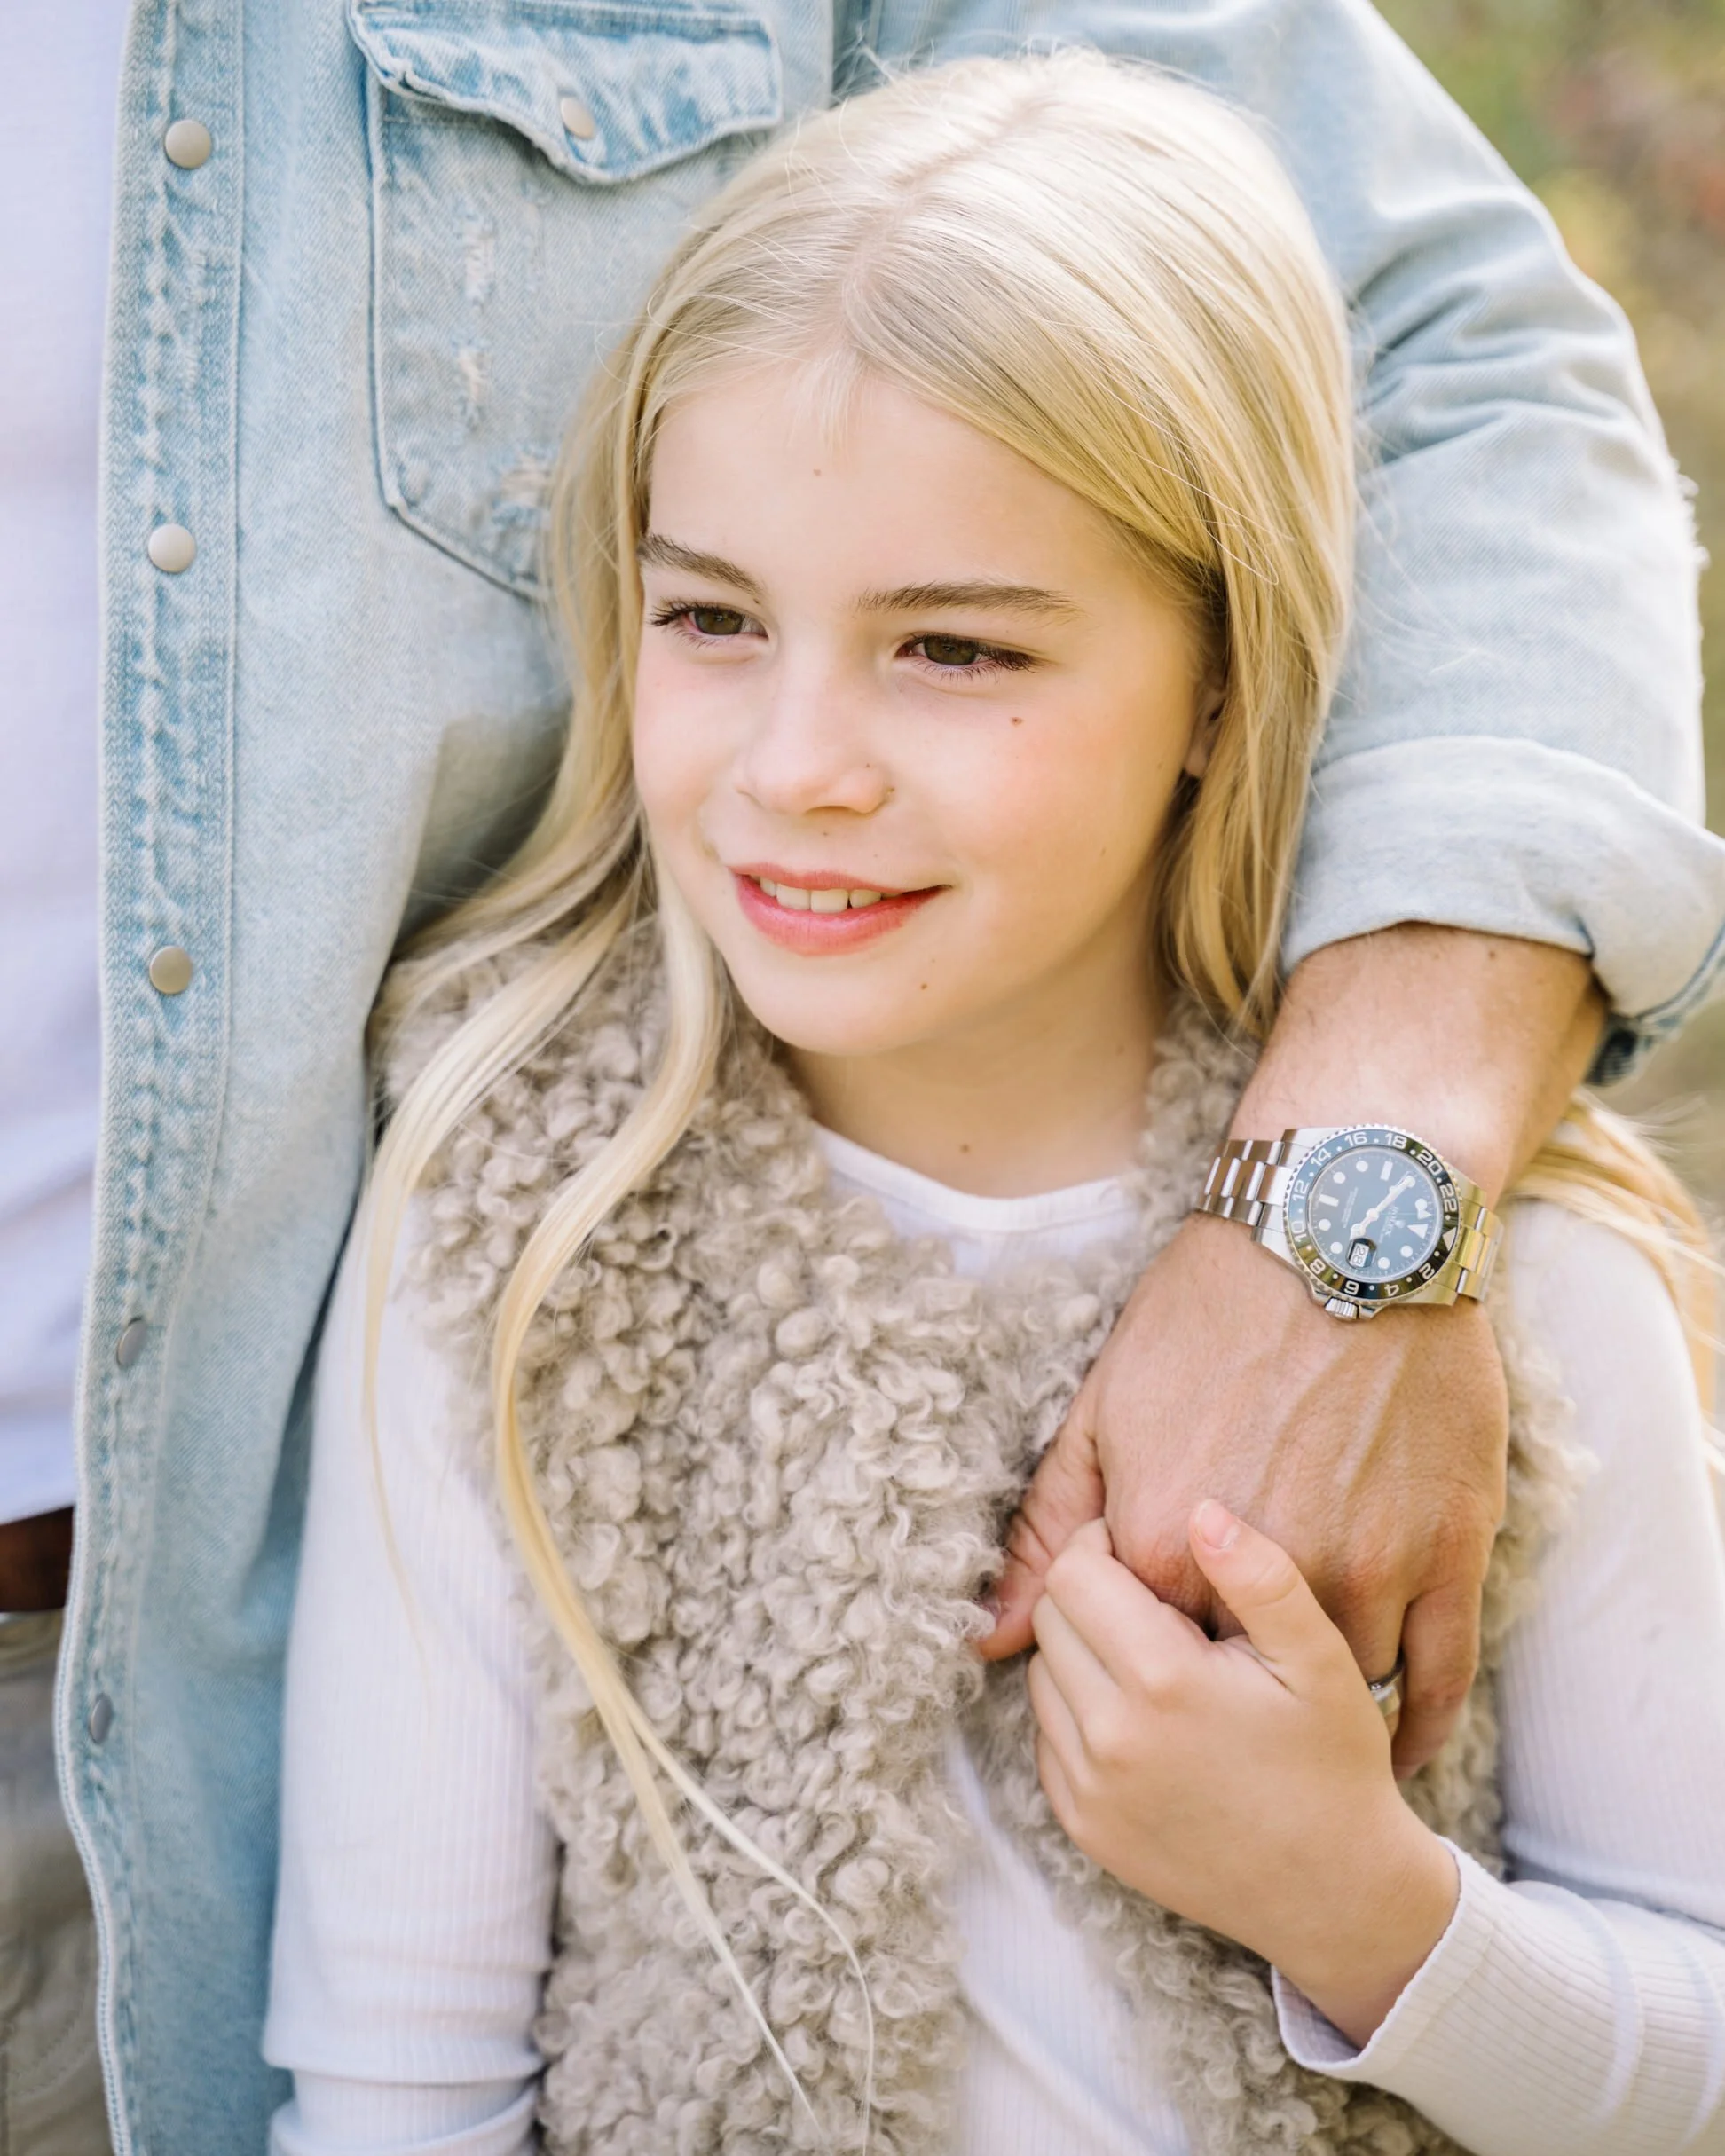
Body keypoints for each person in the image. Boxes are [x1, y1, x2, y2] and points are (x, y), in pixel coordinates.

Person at [4, 7, 1723, 2156]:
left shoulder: (1505, 1278)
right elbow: (392, 2091)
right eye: (710, 618)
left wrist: (1354, 1904)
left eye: (960, 647)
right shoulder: (513, 1241)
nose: (800, 763)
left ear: (1225, 668)